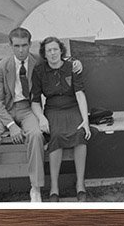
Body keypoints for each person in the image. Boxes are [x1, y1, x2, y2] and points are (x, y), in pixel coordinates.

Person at [0, 27, 84, 204]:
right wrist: (11, 126)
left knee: (36, 135)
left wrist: (75, 62)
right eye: (17, 46)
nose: (21, 50)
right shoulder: (1, 67)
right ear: (10, 45)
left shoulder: (37, 61)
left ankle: (35, 188)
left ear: (30, 44)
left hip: (27, 108)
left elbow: (56, 58)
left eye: (25, 45)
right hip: (2, 111)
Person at [30, 36, 92, 202]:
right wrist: (42, 118)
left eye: (55, 49)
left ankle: (80, 184)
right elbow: (35, 101)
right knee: (55, 135)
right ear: (44, 53)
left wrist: (85, 119)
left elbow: (80, 93)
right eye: (49, 50)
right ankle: (54, 187)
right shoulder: (39, 71)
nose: (52, 53)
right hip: (53, 110)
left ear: (61, 50)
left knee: (80, 134)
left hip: (72, 107)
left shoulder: (72, 67)